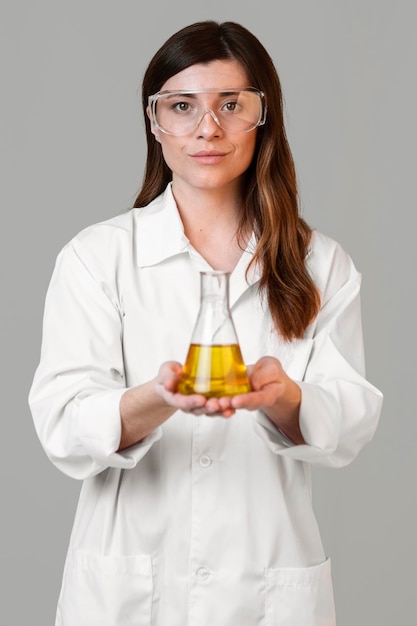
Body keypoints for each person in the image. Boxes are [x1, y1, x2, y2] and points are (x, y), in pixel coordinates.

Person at [29, 20, 383, 626]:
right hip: (129, 587)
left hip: (267, 586)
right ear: (154, 121)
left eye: (231, 104)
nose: (208, 128)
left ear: (262, 116)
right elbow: (63, 420)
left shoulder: (320, 264)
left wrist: (284, 397)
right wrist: (157, 397)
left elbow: (350, 419)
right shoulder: (98, 256)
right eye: (183, 106)